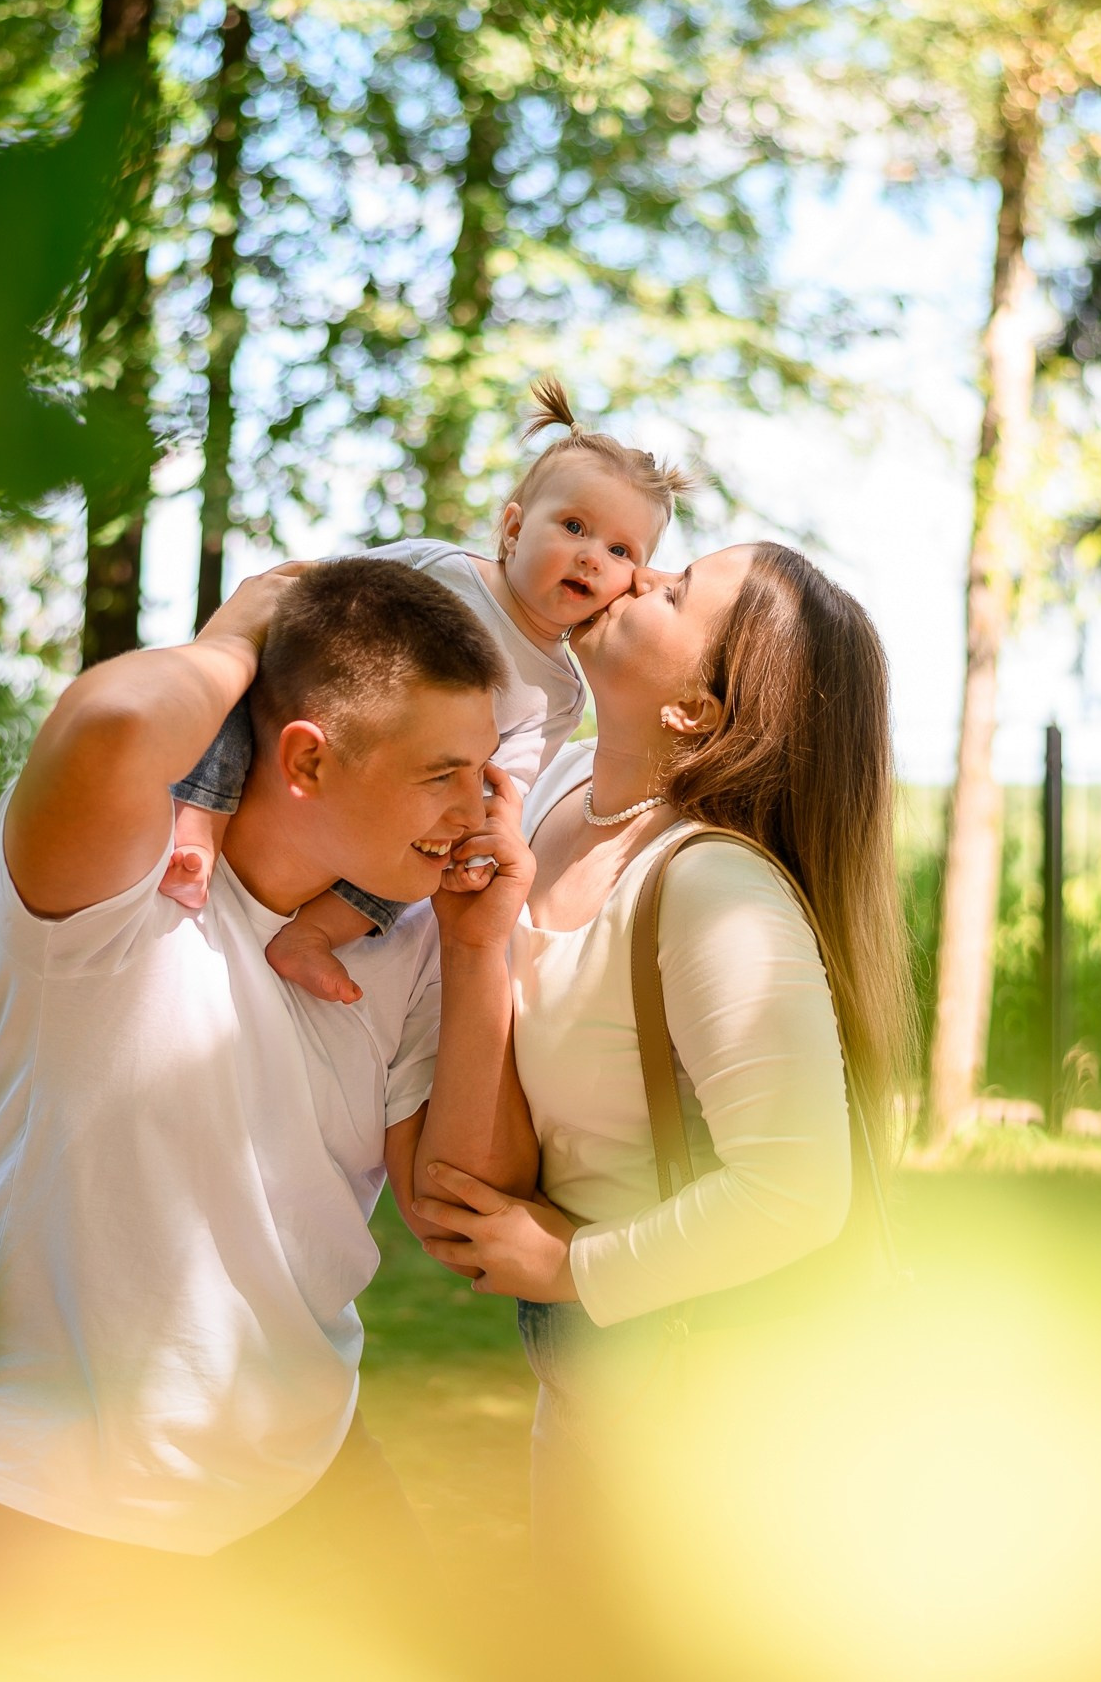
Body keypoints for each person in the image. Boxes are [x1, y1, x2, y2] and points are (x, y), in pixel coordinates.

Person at [0, 556, 533, 1680]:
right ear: (307, 758)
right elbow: (120, 717)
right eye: (443, 773)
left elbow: (456, 1207)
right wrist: (245, 625)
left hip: (295, 1463)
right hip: (37, 1482)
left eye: (484, 772)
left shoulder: (414, 935)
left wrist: (481, 949)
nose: (476, 809)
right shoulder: (118, 884)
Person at [405, 542, 910, 1642]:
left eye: (675, 592)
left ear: (697, 710)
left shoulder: (713, 885)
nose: (635, 576)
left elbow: (793, 1189)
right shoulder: (548, 798)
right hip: (600, 1387)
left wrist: (568, 1262)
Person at [160, 377, 695, 1006]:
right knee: (245, 691)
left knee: (433, 852)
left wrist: (487, 834)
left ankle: (314, 935)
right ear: (515, 528)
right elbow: (327, 592)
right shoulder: (442, 569)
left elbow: (506, 783)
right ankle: (199, 817)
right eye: (574, 526)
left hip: (414, 792)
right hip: (333, 711)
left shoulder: (559, 693)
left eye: (619, 549)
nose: (590, 558)